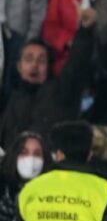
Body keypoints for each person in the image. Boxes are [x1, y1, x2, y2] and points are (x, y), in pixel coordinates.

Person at [0, 14, 95, 152]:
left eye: (41, 60)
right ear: (19, 66)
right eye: (29, 59)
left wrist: (85, 31)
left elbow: (76, 67)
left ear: (49, 67)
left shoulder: (60, 91)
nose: (34, 65)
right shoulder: (8, 100)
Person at [0, 132, 50, 221]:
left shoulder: (51, 194)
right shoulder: (3, 189)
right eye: (24, 153)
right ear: (14, 155)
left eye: (37, 154)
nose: (30, 159)